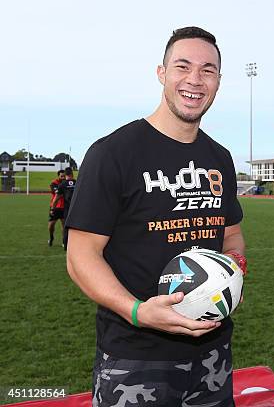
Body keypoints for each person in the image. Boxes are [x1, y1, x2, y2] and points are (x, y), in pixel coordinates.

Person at [66, 27, 246, 407]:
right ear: (161, 73)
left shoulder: (220, 158)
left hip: (212, 354)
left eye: (208, 70)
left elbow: (231, 236)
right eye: (183, 66)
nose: (195, 80)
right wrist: (137, 311)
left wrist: (233, 273)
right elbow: (81, 255)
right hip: (135, 357)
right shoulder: (113, 153)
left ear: (218, 81)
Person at [52, 167, 77, 251]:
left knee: (67, 227)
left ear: (65, 175)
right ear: (72, 174)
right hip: (77, 209)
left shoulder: (62, 184)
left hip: (68, 209)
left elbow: (56, 199)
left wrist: (52, 209)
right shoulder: (77, 183)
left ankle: (66, 245)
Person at [48, 169, 65, 246]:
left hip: (64, 207)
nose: (63, 177)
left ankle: (64, 241)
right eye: (61, 176)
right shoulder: (54, 183)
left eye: (64, 176)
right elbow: (57, 192)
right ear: (58, 176)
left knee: (64, 225)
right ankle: (51, 237)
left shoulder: (67, 182)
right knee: (51, 225)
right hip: (55, 207)